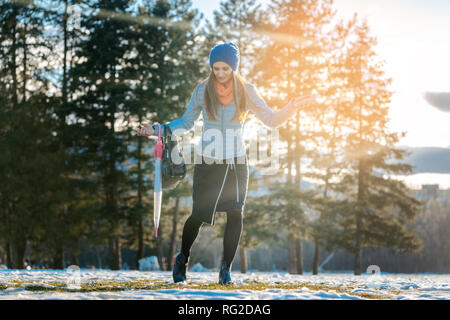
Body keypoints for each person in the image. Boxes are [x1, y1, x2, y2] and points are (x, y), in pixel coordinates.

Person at [137, 42, 315, 284]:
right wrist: (158, 129)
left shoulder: (247, 91)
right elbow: (187, 122)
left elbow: (271, 119)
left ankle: (225, 269)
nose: (220, 73)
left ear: (234, 68)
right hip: (207, 161)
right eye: (216, 68)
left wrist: (290, 108)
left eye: (225, 69)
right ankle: (182, 258)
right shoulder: (202, 90)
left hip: (236, 162)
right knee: (198, 216)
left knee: (235, 213)